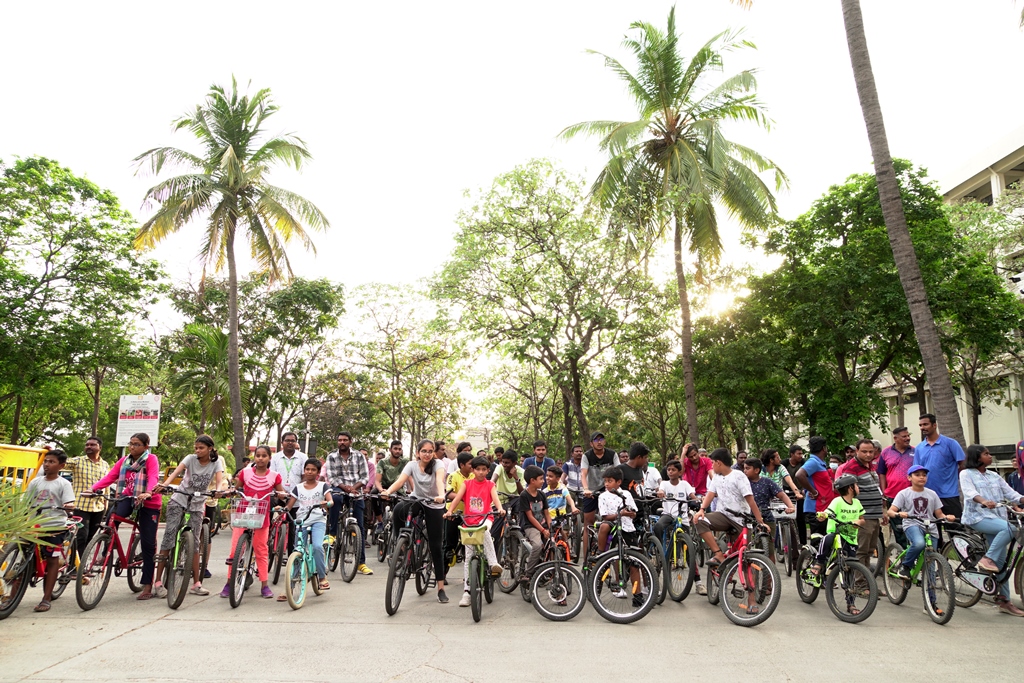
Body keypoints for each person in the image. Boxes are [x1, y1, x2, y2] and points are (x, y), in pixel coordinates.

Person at [90, 433, 161, 600]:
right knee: (111, 519)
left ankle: (147, 585)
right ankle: (107, 549)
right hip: (128, 496)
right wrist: (93, 489)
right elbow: (110, 477)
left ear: (146, 446)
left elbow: (153, 477)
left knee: (148, 543)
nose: (132, 447)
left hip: (149, 501)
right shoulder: (124, 461)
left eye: (136, 444)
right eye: (131, 444)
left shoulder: (151, 459)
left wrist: (149, 492)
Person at [154, 434, 225, 597]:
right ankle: (158, 582)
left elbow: (219, 479)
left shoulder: (216, 462)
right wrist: (164, 485)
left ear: (210, 449)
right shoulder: (190, 459)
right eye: (196, 448)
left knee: (196, 542)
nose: (198, 451)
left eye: (201, 448)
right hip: (179, 499)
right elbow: (176, 472)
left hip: (198, 503)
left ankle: (196, 584)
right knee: (169, 536)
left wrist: (219, 490)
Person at [959, 444, 1024, 616]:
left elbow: (1011, 494)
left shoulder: (994, 475)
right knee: (1011, 529)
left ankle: (1004, 601)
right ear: (977, 457)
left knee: (1001, 563)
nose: (990, 456)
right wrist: (983, 501)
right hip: (977, 517)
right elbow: (969, 492)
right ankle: (987, 559)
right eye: (986, 454)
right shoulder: (966, 474)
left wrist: (1022, 499)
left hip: (997, 519)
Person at [382, 439, 450, 603]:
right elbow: (400, 481)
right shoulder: (412, 465)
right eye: (424, 451)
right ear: (418, 453)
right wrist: (388, 491)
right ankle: (402, 544)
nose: (427, 454)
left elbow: (440, 480)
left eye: (430, 451)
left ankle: (440, 588)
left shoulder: (438, 464)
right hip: (417, 499)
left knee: (435, 546)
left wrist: (441, 496)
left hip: (434, 503)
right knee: (398, 509)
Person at [220, 445, 286, 599]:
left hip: (262, 517)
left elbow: (280, 491)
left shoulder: (275, 476)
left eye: (264, 456)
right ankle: (229, 583)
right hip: (243, 515)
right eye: (258, 455)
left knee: (261, 550)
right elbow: (238, 488)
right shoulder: (245, 473)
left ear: (269, 458)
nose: (261, 458)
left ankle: (264, 585)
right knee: (234, 550)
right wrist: (230, 492)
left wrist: (284, 495)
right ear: (254, 457)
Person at [444, 456, 504, 607]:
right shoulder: (467, 484)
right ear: (473, 470)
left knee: (485, 532)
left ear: (488, 471)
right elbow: (456, 499)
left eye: (484, 470)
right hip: (469, 521)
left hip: (486, 518)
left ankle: (493, 563)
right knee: (468, 557)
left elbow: (495, 499)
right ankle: (467, 592)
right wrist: (450, 511)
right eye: (478, 469)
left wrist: (501, 509)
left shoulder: (490, 484)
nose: (481, 472)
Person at [692, 449, 766, 567]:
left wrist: (760, 521)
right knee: (699, 520)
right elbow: (710, 494)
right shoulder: (716, 477)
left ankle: (749, 585)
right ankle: (718, 554)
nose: (711, 466)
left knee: (744, 557)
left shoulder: (739, 476)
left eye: (712, 463)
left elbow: (750, 500)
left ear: (719, 463)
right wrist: (702, 510)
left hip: (741, 519)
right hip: (723, 516)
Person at [25, 449, 75, 612]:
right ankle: (11, 597)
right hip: (35, 525)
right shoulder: (35, 482)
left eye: (51, 462)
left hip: (54, 526)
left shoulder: (64, 484)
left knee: (52, 560)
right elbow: (26, 501)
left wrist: (68, 507)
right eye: (45, 461)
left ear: (61, 465)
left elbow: (69, 503)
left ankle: (46, 598)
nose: (46, 464)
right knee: (24, 558)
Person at [886, 465, 954, 583]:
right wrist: (899, 514)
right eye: (917, 475)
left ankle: (931, 594)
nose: (921, 477)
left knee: (930, 559)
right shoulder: (904, 493)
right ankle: (906, 566)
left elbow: (939, 514)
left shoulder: (932, 494)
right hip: (912, 524)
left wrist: (947, 517)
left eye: (924, 475)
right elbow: (890, 511)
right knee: (919, 543)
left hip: (930, 526)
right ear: (909, 478)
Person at [810, 474, 863, 617]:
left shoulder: (857, 504)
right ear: (851, 488)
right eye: (856, 485)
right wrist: (823, 515)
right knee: (827, 539)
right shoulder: (837, 501)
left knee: (850, 570)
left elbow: (862, 518)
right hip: (837, 534)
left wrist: (859, 522)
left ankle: (850, 603)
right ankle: (819, 562)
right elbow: (827, 512)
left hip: (851, 539)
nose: (858, 488)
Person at [280, 458, 333, 599]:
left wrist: (326, 503)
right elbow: (290, 505)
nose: (309, 472)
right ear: (304, 470)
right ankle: (289, 588)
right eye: (307, 469)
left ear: (317, 472)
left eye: (313, 470)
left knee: (316, 546)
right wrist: (283, 509)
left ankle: (322, 578)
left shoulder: (323, 486)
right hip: (301, 521)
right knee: (298, 551)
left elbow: (330, 501)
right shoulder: (298, 487)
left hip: (318, 520)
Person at [321, 431, 372, 576]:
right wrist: (346, 488)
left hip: (356, 489)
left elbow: (365, 477)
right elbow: (332, 477)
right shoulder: (331, 456)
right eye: (339, 440)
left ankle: (361, 563)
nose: (342, 442)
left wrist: (354, 488)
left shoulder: (359, 456)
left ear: (350, 441)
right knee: (335, 498)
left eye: (345, 440)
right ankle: (333, 534)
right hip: (340, 488)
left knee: (360, 527)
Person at [836, 439, 886, 577]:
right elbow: (848, 493)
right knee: (861, 551)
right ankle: (859, 584)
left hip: (874, 514)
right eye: (864, 451)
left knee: (869, 551)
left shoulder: (870, 466)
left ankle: (866, 581)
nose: (868, 454)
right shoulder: (851, 468)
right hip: (864, 516)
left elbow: (876, 489)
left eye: (871, 451)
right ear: (857, 451)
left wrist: (883, 510)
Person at [65, 435, 108, 569]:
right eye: (87, 445)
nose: (89, 447)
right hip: (80, 506)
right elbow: (63, 462)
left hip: (98, 507)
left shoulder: (105, 464)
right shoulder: (78, 461)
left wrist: (105, 506)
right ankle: (75, 568)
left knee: (90, 538)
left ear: (99, 447)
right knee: (81, 537)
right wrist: (49, 452)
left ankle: (80, 565)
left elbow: (106, 485)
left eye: (92, 445)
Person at [913, 413, 966, 518]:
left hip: (949, 495)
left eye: (925, 424)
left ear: (934, 425)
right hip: (927, 495)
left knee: (955, 529)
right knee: (931, 529)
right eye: (920, 425)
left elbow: (963, 464)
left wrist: (953, 477)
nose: (922, 428)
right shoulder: (919, 448)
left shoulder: (951, 443)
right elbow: (917, 471)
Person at [742, 458, 794, 563]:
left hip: (766, 517)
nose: (745, 471)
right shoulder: (742, 482)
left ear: (756, 470)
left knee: (769, 549)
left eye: (748, 468)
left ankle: (771, 574)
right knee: (746, 549)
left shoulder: (767, 482)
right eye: (744, 468)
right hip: (747, 519)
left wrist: (791, 506)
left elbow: (782, 495)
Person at [580, 432, 616, 556]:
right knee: (588, 524)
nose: (599, 442)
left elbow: (618, 472)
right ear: (591, 443)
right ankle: (585, 558)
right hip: (592, 491)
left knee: (611, 520)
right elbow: (583, 473)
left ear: (604, 442)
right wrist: (585, 489)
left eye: (601, 439)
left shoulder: (612, 454)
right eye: (596, 440)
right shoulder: (587, 456)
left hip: (608, 491)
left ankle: (608, 551)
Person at [795, 436, 835, 538]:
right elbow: (799, 475)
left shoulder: (820, 463)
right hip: (816, 508)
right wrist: (813, 491)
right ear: (823, 448)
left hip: (824, 508)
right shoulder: (813, 462)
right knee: (819, 541)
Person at [519, 465, 552, 583]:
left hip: (543, 525)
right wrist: (543, 531)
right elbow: (530, 517)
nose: (543, 481)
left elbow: (547, 514)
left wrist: (550, 527)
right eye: (541, 479)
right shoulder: (524, 495)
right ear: (532, 481)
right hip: (531, 527)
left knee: (554, 544)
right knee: (537, 545)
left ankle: (549, 570)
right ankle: (529, 573)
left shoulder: (542, 494)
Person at [653, 459, 696, 546]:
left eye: (673, 470)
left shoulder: (684, 484)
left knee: (689, 544)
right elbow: (661, 490)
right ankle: (660, 547)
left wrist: (699, 500)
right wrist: (660, 493)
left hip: (682, 516)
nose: (670, 472)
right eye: (668, 470)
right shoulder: (664, 484)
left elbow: (692, 496)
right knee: (658, 526)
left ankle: (690, 559)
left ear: (680, 473)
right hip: (668, 514)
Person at [444, 452, 475, 567]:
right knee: (449, 545)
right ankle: (443, 574)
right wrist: (464, 497)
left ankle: (469, 576)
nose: (472, 467)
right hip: (454, 514)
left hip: (469, 515)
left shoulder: (474, 475)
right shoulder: (453, 476)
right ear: (462, 465)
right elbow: (449, 494)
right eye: (470, 464)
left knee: (467, 545)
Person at [543, 465, 578, 544]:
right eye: (547, 475)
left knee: (563, 532)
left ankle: (568, 548)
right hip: (549, 518)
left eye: (551, 476)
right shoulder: (544, 492)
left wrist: (573, 507)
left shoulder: (562, 488)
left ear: (558, 478)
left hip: (561, 517)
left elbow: (569, 499)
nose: (547, 478)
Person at [784, 444, 807, 544]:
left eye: (801, 453)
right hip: (786, 491)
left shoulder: (803, 463)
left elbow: (807, 477)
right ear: (791, 454)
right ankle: (784, 543)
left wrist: (803, 490)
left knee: (801, 519)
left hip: (799, 492)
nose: (801, 456)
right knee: (784, 519)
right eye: (798, 454)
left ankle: (803, 543)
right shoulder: (784, 464)